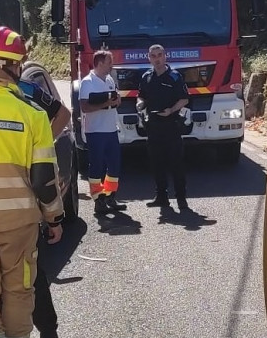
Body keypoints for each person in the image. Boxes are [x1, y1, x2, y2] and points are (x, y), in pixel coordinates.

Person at [0, 27, 64, 338]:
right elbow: (44, 179)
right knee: (19, 291)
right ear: (15, 66)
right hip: (19, 221)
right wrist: (54, 218)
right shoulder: (32, 115)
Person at [137, 44, 192, 210]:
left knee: (176, 163)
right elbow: (141, 97)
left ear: (165, 56)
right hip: (153, 125)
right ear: (149, 58)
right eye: (153, 56)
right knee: (156, 163)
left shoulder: (175, 77)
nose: (157, 59)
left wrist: (171, 110)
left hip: (171, 125)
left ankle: (181, 198)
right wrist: (140, 105)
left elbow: (184, 99)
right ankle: (161, 197)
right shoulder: (146, 77)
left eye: (159, 55)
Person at [78, 50, 126, 214]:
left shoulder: (110, 79)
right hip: (95, 131)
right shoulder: (87, 82)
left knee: (114, 166)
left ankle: (110, 196)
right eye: (109, 62)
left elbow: (115, 99)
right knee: (97, 166)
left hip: (111, 129)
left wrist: (116, 101)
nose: (111, 66)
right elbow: (84, 107)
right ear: (99, 63)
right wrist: (105, 103)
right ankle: (98, 199)